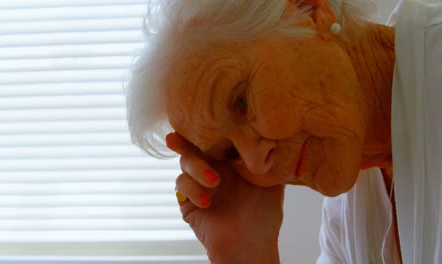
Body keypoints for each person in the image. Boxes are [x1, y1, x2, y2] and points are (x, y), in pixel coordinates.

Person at [126, 0, 442, 263]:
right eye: (230, 153)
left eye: (241, 102)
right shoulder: (345, 220)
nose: (253, 161)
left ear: (311, 10)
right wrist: (247, 252)